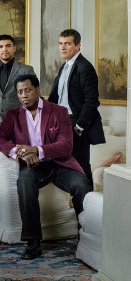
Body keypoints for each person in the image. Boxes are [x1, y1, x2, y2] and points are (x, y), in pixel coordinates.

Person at [0, 74, 91, 260]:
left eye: (27, 90)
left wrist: (37, 150)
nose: (24, 96)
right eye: (20, 92)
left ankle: (87, 235)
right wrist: (19, 151)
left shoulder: (59, 112)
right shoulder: (13, 115)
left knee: (81, 184)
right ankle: (33, 241)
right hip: (33, 167)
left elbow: (66, 145)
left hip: (60, 163)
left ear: (37, 90)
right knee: (25, 182)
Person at [48, 29, 105, 186]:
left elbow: (92, 101)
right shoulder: (64, 67)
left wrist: (79, 127)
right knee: (64, 163)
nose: (63, 47)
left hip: (76, 123)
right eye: (60, 43)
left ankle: (88, 203)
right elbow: (57, 98)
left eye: (67, 43)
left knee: (80, 164)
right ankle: (76, 200)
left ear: (78, 46)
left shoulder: (84, 67)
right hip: (61, 122)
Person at [0, 34, 36, 128]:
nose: (4, 49)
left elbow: (35, 96)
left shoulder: (26, 70)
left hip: (20, 123)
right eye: (0, 46)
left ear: (14, 48)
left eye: (8, 46)